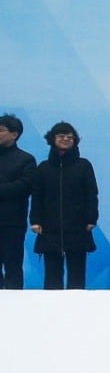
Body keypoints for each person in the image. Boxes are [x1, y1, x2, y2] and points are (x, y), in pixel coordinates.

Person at [29, 122, 98, 289]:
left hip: (78, 227)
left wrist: (91, 218)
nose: (65, 139)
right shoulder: (43, 168)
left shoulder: (84, 165)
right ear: (52, 139)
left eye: (69, 136)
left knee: (77, 274)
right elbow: (37, 197)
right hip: (49, 227)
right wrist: (35, 220)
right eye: (61, 136)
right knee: (52, 275)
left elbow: (92, 194)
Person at [0, 114, 36, 289]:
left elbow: (24, 187)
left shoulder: (26, 159)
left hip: (11, 223)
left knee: (13, 268)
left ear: (14, 134)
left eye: (1, 130)